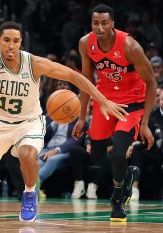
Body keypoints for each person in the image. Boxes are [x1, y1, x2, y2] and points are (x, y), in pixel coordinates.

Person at [0, 21, 128, 223]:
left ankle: (30, 194)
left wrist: (102, 100)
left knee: (26, 152)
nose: (10, 45)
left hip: (29, 123)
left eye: (15, 41)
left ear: (21, 42)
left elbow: (73, 76)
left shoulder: (33, 63)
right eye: (6, 40)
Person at [72, 4, 156, 222]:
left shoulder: (130, 46)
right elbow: (86, 82)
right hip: (105, 102)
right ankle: (127, 175)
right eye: (95, 23)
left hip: (132, 104)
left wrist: (145, 122)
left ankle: (118, 197)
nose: (99, 27)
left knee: (118, 153)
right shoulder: (85, 43)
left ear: (112, 24)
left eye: (104, 23)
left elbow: (152, 82)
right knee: (97, 156)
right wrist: (82, 117)